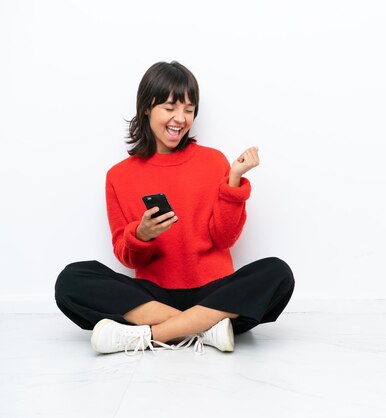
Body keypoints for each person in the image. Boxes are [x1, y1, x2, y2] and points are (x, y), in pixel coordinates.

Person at [54, 61, 295, 355]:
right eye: (170, 108)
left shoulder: (214, 161)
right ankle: (205, 328)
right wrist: (141, 234)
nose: (180, 118)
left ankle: (148, 336)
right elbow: (126, 256)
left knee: (278, 273)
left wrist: (233, 182)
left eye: (189, 110)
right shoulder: (118, 176)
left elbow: (225, 239)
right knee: (71, 280)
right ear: (146, 108)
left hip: (213, 291)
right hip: (154, 298)